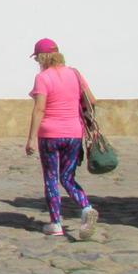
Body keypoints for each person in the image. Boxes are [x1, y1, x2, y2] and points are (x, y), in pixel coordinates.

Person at [25, 38, 98, 239]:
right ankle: (86, 207)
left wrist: (31, 138)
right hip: (74, 133)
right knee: (67, 177)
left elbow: (39, 108)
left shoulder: (43, 78)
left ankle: (56, 223)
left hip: (50, 135)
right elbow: (91, 100)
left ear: (41, 57)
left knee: (50, 179)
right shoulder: (74, 74)